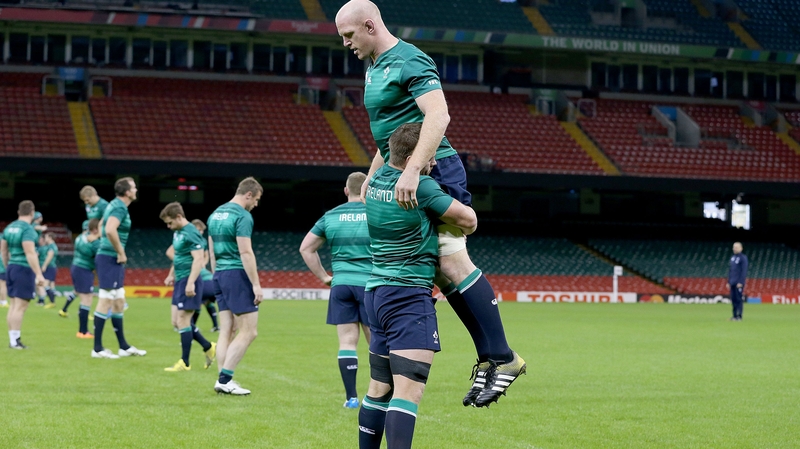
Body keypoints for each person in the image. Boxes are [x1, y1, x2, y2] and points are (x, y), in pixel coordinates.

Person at [336, 0, 525, 407]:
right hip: (403, 168)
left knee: (451, 260)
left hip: (433, 170)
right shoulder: (372, 65)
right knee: (438, 268)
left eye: (349, 35)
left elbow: (438, 116)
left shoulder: (410, 59)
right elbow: (391, 131)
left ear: (370, 25)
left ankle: (503, 357)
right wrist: (374, 173)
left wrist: (413, 169)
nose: (346, 43)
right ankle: (496, 357)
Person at [358, 123, 478, 448]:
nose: (435, 163)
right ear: (413, 157)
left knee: (378, 387)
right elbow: (469, 220)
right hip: (408, 298)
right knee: (409, 391)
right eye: (430, 155)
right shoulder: (420, 187)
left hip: (377, 293)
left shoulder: (375, 182)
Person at [300, 172, 372, 409]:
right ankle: (379, 395)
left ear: (346, 191)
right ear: (367, 190)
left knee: (347, 342)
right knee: (377, 343)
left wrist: (323, 277)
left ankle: (351, 397)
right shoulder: (376, 212)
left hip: (340, 284)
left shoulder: (330, 216)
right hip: (371, 284)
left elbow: (306, 248)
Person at [208, 177, 263, 395]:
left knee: (227, 330)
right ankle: (225, 379)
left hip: (219, 273)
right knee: (249, 331)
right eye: (256, 199)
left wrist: (216, 277)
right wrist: (256, 284)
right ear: (248, 194)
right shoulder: (242, 215)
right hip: (236, 274)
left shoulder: (215, 214)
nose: (256, 204)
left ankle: (222, 378)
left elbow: (211, 252)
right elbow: (245, 252)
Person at [92, 177, 146, 359]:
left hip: (110, 256)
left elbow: (101, 225)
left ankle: (123, 346)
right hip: (110, 257)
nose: (136, 189)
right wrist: (120, 251)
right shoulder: (119, 207)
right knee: (106, 298)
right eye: (134, 187)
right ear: (127, 192)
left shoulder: (114, 205)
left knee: (119, 300)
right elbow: (109, 229)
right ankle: (97, 348)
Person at [160, 202, 216, 372]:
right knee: (177, 321)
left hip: (189, 280)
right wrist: (171, 274)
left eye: (170, 222)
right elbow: (179, 257)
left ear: (178, 217)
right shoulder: (178, 232)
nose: (168, 226)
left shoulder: (191, 232)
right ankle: (208, 346)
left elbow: (199, 260)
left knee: (183, 320)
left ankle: (185, 362)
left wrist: (191, 282)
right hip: (180, 279)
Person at [1, 200, 46, 349]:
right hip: (23, 268)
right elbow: (30, 252)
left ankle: (13, 339)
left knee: (14, 305)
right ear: (32, 213)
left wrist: (8, 266)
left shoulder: (9, 227)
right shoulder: (28, 230)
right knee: (20, 306)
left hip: (12, 266)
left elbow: (4, 251)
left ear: (18, 212)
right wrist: (39, 274)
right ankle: (15, 341)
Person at [61, 219, 101, 338]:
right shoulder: (94, 242)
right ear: (95, 229)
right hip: (84, 269)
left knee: (84, 297)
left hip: (77, 267)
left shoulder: (80, 237)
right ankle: (83, 331)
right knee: (86, 299)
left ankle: (82, 330)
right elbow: (98, 257)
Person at [192, 219, 219, 332]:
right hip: (212, 281)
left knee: (196, 305)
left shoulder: (198, 241)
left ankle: (192, 328)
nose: (201, 232)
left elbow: (207, 255)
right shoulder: (194, 240)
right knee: (208, 303)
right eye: (199, 230)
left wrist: (202, 262)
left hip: (204, 281)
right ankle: (216, 326)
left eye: (202, 230)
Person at [728, 242, 749, 321]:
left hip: (738, 283)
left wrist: (741, 281)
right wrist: (728, 281)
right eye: (734, 247)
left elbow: (744, 271)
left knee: (738, 299)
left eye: (736, 247)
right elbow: (730, 270)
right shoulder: (732, 258)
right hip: (732, 282)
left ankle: (739, 316)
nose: (734, 249)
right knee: (733, 299)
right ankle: (734, 315)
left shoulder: (743, 258)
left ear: (741, 248)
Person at [37, 233, 58, 309]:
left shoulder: (52, 246)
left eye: (46, 237)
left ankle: (52, 302)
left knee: (45, 284)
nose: (45, 239)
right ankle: (51, 301)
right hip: (51, 267)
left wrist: (44, 265)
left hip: (50, 267)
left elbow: (50, 255)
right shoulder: (50, 246)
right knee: (48, 285)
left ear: (50, 237)